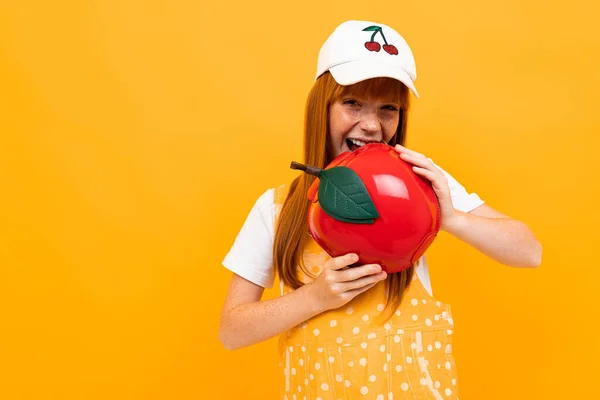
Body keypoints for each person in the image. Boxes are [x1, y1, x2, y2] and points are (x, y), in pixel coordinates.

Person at [219, 20, 542, 400]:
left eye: (388, 108)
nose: (371, 125)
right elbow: (231, 330)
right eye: (352, 102)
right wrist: (314, 298)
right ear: (320, 106)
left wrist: (451, 217)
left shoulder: (423, 184)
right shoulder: (277, 208)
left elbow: (529, 252)